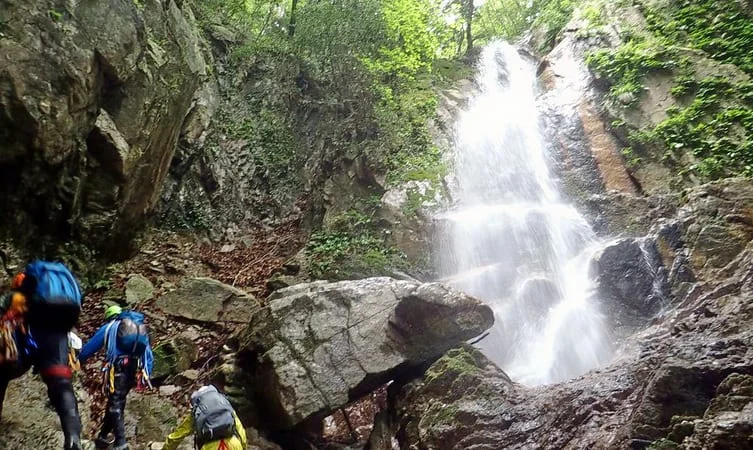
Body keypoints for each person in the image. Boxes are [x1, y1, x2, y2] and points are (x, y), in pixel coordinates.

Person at [0, 261, 84, 450]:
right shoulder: (65, 290)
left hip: (29, 335)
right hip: (57, 333)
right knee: (61, 383)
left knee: (2, 372)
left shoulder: (16, 296)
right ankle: (73, 438)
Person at [79, 304, 153, 450]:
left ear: (109, 317)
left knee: (115, 403)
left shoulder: (110, 327)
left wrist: (78, 360)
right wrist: (146, 374)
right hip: (133, 368)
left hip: (118, 368)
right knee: (116, 401)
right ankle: (103, 436)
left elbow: (91, 347)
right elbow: (148, 355)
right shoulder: (138, 330)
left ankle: (121, 443)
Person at [163, 385, 247, 450]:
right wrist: (243, 447)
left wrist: (166, 448)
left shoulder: (198, 410)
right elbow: (240, 431)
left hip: (209, 447)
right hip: (233, 444)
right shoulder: (225, 404)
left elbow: (178, 435)